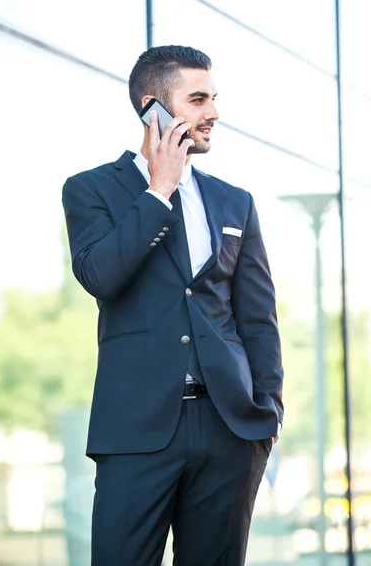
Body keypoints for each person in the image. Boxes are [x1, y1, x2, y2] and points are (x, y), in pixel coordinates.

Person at [62, 45, 284, 566]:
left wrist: (267, 412)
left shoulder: (235, 201)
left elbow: (258, 319)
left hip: (230, 428)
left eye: (214, 98)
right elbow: (101, 275)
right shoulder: (90, 190)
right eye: (198, 99)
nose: (214, 113)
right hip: (137, 429)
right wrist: (158, 191)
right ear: (152, 107)